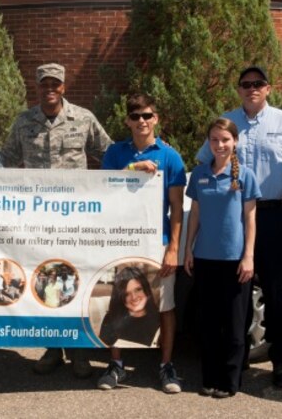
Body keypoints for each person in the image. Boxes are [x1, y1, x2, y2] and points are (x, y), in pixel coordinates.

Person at [196, 65, 282, 388]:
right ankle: (237, 358)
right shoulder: (228, 122)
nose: (252, 88)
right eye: (245, 84)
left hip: (272, 215)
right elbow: (204, 161)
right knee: (236, 293)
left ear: (269, 88)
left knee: (278, 292)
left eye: (258, 83)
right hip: (233, 217)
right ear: (239, 89)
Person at [0, 62, 112, 378]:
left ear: (63, 86)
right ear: (37, 88)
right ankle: (52, 349)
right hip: (37, 220)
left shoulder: (83, 119)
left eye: (55, 84)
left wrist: (137, 171)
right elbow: (3, 162)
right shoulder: (24, 122)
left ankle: (80, 352)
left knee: (76, 281)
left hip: (75, 218)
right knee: (46, 282)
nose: (50, 89)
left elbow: (110, 155)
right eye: (44, 84)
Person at [97, 93, 185, 393]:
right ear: (127, 121)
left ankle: (166, 365)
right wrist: (132, 170)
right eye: (135, 117)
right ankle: (117, 364)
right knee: (119, 302)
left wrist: (173, 248)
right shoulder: (115, 153)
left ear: (156, 118)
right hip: (121, 240)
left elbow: (176, 207)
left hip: (156, 242)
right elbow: (103, 192)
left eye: (147, 115)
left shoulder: (170, 156)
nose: (142, 121)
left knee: (165, 305)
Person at [185, 118, 261, 399]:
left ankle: (230, 380)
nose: (220, 145)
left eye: (225, 139)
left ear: (235, 142)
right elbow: (195, 214)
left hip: (235, 260)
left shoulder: (245, 176)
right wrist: (188, 249)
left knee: (233, 323)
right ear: (209, 142)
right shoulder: (199, 175)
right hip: (205, 257)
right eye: (214, 140)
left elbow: (250, 218)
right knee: (208, 322)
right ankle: (210, 377)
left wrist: (249, 256)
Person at [98, 266, 160, 348]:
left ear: (146, 289)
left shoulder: (161, 319)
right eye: (127, 294)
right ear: (120, 297)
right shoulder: (110, 319)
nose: (134, 297)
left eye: (138, 289)